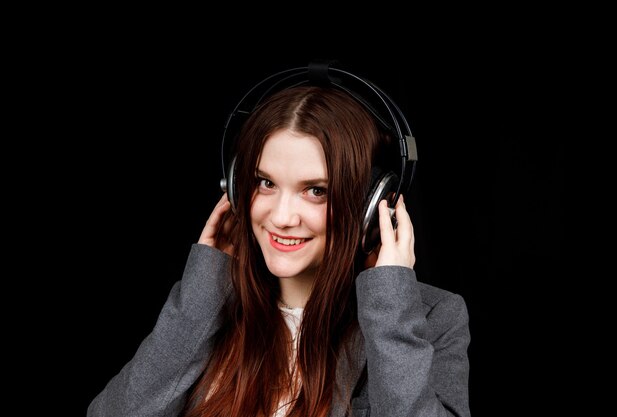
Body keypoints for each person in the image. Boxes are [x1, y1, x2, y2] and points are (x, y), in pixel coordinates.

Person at [87, 66, 471, 417]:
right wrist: (201, 293)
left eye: (316, 190)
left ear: (372, 205)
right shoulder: (207, 302)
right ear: (237, 189)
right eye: (265, 182)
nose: (282, 217)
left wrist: (390, 303)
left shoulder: (433, 317)